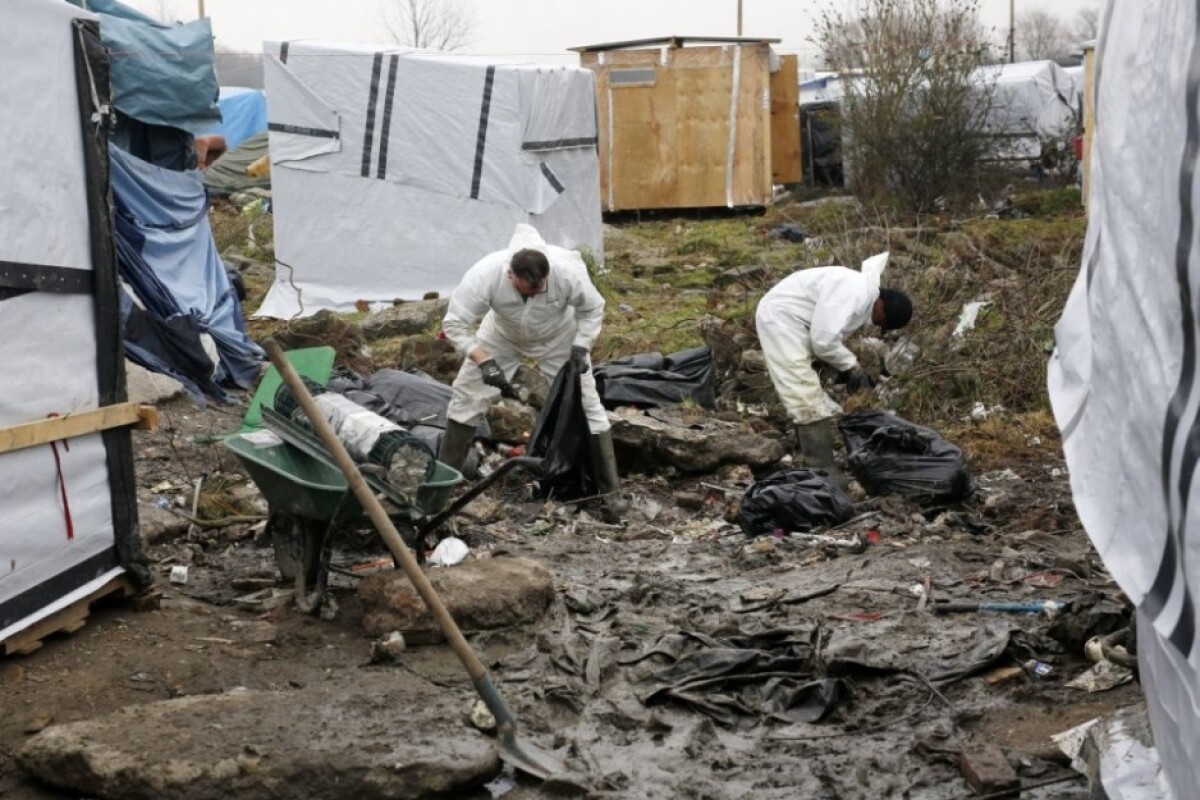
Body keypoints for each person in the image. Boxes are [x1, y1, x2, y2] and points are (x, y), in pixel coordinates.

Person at [438, 224, 620, 499]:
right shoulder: (485, 274)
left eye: (540, 289)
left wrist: (582, 346)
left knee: (587, 401)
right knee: (465, 397)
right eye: (527, 290)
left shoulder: (567, 273)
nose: (534, 294)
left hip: (558, 336)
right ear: (511, 275)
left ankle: (609, 492)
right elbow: (454, 324)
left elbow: (593, 307)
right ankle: (443, 485)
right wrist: (482, 359)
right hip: (501, 334)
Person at [754, 252, 912, 478]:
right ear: (882, 306)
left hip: (795, 321)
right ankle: (821, 470)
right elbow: (823, 341)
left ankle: (812, 462)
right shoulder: (855, 292)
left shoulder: (861, 294)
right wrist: (852, 367)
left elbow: (827, 335)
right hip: (781, 319)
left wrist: (843, 367)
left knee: (810, 394)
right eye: (882, 322)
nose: (877, 326)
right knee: (803, 394)